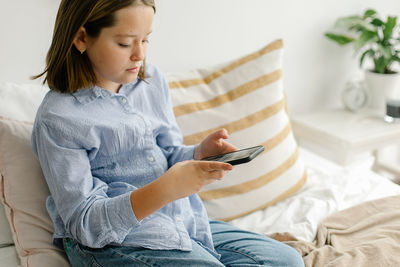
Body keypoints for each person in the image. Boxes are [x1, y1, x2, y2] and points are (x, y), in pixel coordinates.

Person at [31, 0, 305, 266]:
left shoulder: (151, 83)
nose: (140, 54)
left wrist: (199, 154)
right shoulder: (59, 118)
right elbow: (85, 224)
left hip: (177, 218)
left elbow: (168, 155)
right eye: (125, 43)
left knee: (286, 260)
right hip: (114, 243)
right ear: (81, 38)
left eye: (146, 39)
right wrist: (166, 189)